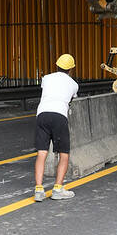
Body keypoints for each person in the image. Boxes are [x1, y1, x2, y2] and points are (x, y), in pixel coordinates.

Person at [33, 53, 78, 201]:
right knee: (63, 153)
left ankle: (39, 190)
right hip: (59, 116)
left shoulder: (46, 78)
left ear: (57, 65)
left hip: (42, 115)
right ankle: (58, 188)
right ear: (71, 69)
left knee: (42, 153)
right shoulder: (73, 84)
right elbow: (71, 99)